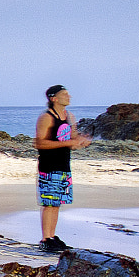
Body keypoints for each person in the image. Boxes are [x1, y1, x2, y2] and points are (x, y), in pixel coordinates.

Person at [35, 83, 91, 252]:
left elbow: (71, 140)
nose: (69, 96)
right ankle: (45, 239)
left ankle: (52, 236)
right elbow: (39, 143)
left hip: (64, 165)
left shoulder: (69, 116)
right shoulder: (46, 117)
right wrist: (69, 142)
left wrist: (80, 142)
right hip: (49, 165)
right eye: (65, 94)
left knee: (57, 202)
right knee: (49, 202)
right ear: (54, 98)